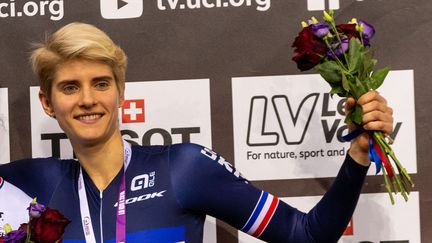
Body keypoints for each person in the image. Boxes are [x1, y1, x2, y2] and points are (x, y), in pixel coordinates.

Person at [0, 22, 393, 243]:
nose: (88, 99)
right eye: (70, 87)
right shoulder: (29, 184)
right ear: (48, 103)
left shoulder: (185, 168)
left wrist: (359, 153)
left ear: (121, 91)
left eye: (101, 83)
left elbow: (307, 236)